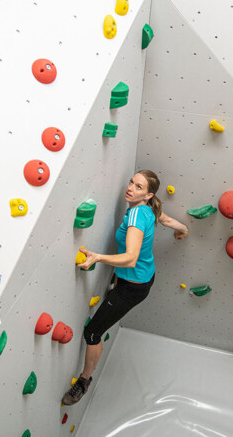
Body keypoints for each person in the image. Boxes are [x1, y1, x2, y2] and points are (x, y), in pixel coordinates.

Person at [62, 170, 189, 405]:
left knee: (92, 333)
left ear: (148, 195)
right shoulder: (150, 208)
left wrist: (98, 258)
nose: (130, 188)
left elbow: (130, 258)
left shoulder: (136, 216)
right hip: (142, 277)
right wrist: (184, 229)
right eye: (132, 182)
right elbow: (167, 220)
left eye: (138, 187)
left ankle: (84, 380)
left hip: (133, 287)